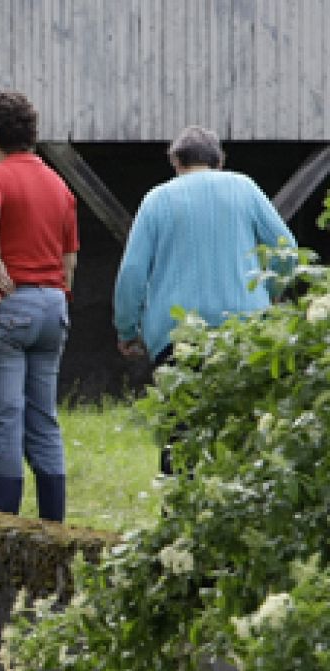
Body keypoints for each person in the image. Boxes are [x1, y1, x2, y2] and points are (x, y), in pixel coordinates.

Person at [113, 125, 296, 473]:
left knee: (179, 435)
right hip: (244, 332)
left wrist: (127, 328)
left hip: (177, 337)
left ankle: (178, 515)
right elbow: (286, 252)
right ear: (219, 161)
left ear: (176, 162)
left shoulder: (156, 199)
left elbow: (133, 272)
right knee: (243, 432)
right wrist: (268, 294)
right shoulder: (244, 188)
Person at [0, 91, 78, 522]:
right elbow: (69, 261)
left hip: (7, 306)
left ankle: (3, 529)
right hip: (52, 306)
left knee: (6, 422)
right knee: (43, 420)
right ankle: (54, 529)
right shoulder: (58, 184)